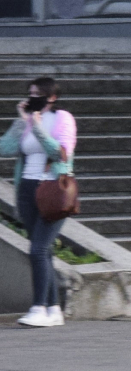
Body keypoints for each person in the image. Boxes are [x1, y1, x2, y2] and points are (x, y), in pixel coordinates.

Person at [1, 76, 75, 328]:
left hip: (53, 189)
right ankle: (54, 309)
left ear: (52, 97)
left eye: (38, 93)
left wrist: (39, 126)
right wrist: (23, 123)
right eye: (30, 92)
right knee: (42, 250)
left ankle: (39, 307)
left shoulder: (63, 118)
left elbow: (59, 152)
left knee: (38, 250)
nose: (33, 97)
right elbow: (5, 148)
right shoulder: (28, 122)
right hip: (27, 188)